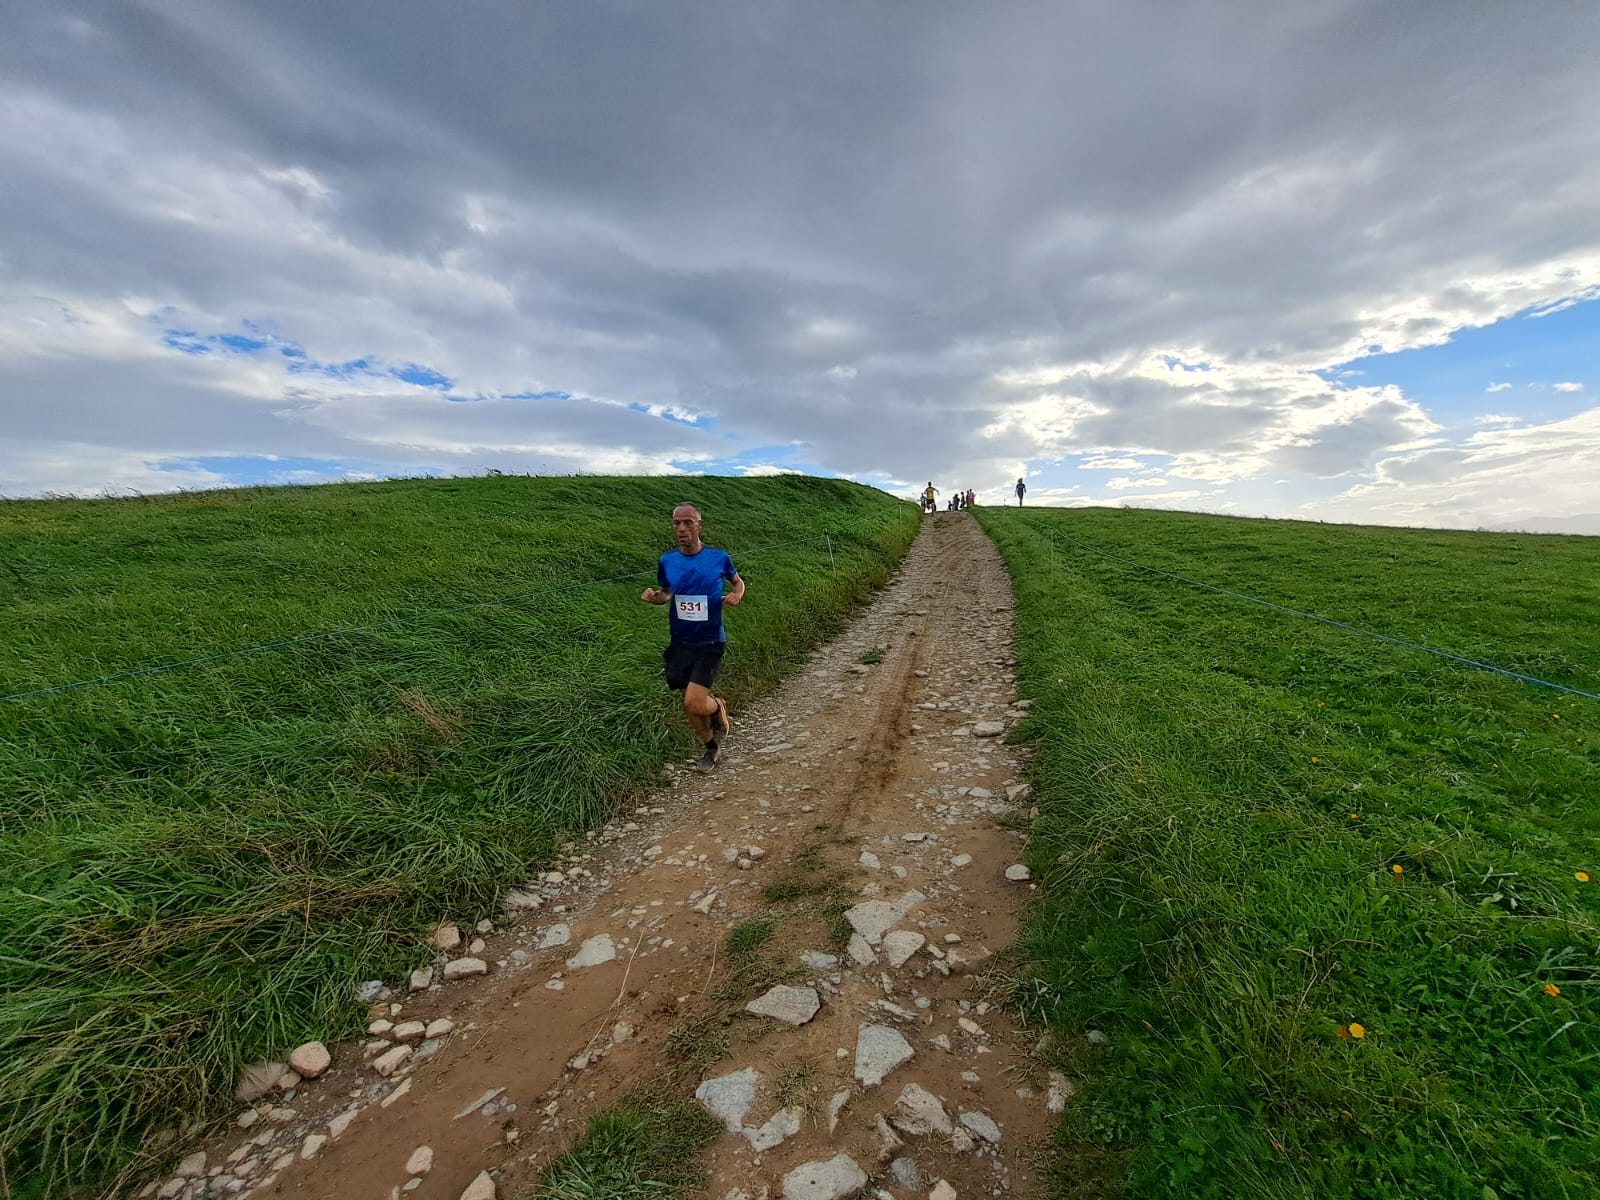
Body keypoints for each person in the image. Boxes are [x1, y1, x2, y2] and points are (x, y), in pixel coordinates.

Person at [641, 503, 745, 771]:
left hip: (710, 641)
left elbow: (738, 582)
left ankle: (717, 705)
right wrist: (655, 598)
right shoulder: (667, 561)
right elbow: (667, 593)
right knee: (690, 706)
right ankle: (711, 748)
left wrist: (736, 595)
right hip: (680, 643)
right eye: (677, 523)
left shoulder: (718, 558)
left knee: (693, 701)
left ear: (699, 525)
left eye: (688, 522)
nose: (682, 528)